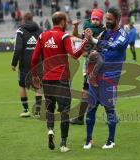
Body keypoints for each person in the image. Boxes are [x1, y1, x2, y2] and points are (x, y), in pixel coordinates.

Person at [31, 12, 92, 152]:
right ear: (63, 22)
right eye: (67, 21)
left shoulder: (42, 36)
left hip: (47, 79)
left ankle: (50, 130)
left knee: (50, 109)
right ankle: (63, 144)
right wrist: (85, 41)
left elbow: (34, 58)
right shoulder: (63, 36)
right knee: (65, 111)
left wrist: (35, 75)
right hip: (62, 79)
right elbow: (74, 55)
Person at [83, 7, 129, 149]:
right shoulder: (105, 32)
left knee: (109, 109)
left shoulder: (122, 35)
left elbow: (114, 46)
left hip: (110, 77)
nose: (107, 21)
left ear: (117, 19)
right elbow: (94, 49)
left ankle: (111, 140)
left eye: (109, 19)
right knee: (90, 108)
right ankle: (89, 139)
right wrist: (90, 45)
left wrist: (95, 41)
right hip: (95, 76)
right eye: (106, 19)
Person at [70, 9, 105, 125]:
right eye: (93, 19)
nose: (94, 21)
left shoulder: (103, 32)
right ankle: (80, 118)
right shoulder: (89, 30)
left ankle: (80, 118)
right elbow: (77, 35)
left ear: (101, 21)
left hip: (98, 64)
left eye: (97, 19)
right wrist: (75, 26)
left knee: (94, 89)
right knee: (89, 89)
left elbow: (101, 46)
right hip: (88, 64)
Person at [11, 12, 43, 118]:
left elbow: (18, 48)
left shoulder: (20, 31)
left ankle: (26, 111)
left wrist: (14, 63)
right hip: (38, 62)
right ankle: (38, 112)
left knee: (22, 85)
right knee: (38, 86)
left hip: (24, 63)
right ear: (32, 18)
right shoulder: (40, 31)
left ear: (23, 20)